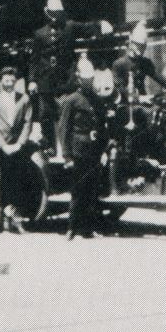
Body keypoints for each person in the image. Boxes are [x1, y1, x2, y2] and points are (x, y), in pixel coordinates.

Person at [28, 0, 112, 157]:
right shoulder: (39, 34)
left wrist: (102, 24)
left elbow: (87, 27)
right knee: (45, 115)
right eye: (53, 13)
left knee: (67, 114)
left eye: (58, 13)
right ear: (47, 13)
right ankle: (50, 148)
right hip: (45, 81)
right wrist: (32, 80)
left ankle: (69, 150)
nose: (55, 17)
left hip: (65, 79)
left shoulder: (69, 27)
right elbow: (34, 60)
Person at [58, 54, 108, 240]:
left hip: (93, 151)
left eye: (91, 79)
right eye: (85, 79)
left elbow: (102, 127)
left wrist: (104, 150)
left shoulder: (97, 99)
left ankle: (88, 228)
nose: (88, 82)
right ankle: (71, 227)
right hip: (78, 150)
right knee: (77, 190)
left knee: (92, 190)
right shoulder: (72, 100)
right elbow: (64, 129)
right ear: (79, 78)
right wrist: (67, 156)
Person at [0, 67, 33, 234]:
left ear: (16, 82)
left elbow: (28, 123)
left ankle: (15, 221)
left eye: (12, 81)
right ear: (1, 82)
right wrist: (2, 145)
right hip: (0, 149)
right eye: (6, 81)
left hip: (17, 149)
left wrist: (20, 143)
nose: (9, 84)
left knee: (16, 185)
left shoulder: (24, 100)